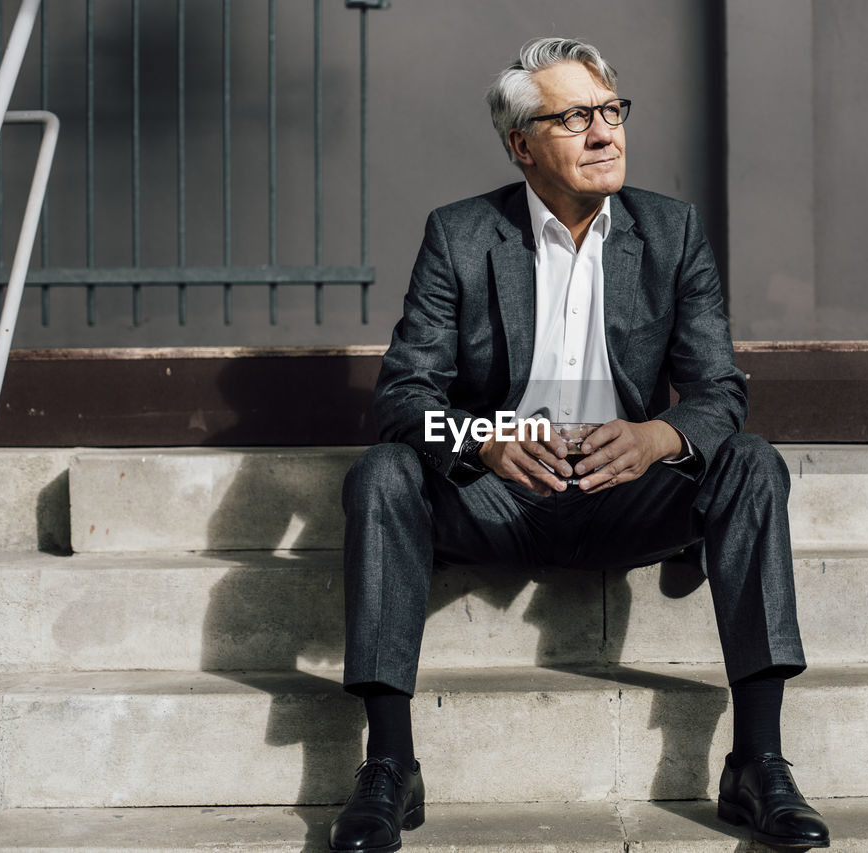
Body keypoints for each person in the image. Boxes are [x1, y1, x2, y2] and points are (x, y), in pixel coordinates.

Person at [329, 37, 830, 852]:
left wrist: (659, 435)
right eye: (574, 118)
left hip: (625, 489)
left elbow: (720, 390)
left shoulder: (671, 232)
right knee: (382, 473)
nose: (605, 133)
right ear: (522, 145)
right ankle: (390, 764)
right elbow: (404, 396)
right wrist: (484, 440)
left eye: (610, 111)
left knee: (753, 462)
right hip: (501, 495)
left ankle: (758, 760)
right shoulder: (460, 235)